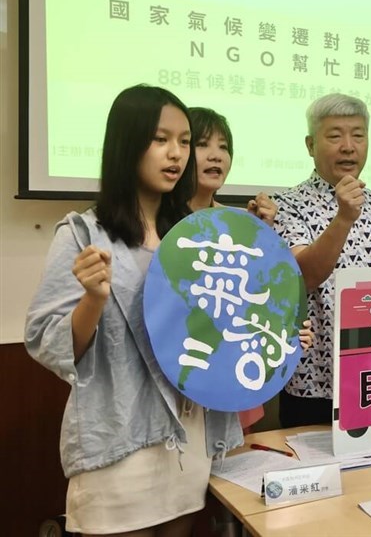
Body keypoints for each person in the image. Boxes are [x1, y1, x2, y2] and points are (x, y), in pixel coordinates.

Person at [25, 85, 242, 536]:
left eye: (184, 141)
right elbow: (48, 341)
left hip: (188, 436)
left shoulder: (195, 236)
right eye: (160, 139)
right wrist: (93, 299)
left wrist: (271, 336)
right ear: (127, 144)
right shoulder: (83, 234)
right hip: (119, 440)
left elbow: (214, 332)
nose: (177, 154)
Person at [273, 93, 371, 427]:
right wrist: (344, 218)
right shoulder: (287, 205)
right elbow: (304, 276)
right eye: (335, 135)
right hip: (314, 382)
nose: (348, 146)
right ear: (310, 144)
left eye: (358, 135)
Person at [187, 107, 312, 431]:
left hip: (234, 369)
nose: (216, 156)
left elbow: (261, 295)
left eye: (224, 147)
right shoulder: (161, 225)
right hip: (186, 367)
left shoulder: (241, 223)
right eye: (202, 144)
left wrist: (288, 329)